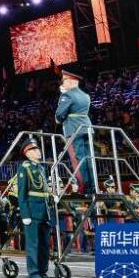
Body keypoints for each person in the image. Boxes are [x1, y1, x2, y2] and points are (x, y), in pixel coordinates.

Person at [54, 67, 96, 195]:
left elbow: (59, 115)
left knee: (77, 159)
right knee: (89, 158)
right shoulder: (86, 95)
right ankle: (93, 185)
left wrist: (61, 97)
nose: (62, 83)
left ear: (71, 81)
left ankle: (84, 187)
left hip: (73, 129)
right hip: (87, 128)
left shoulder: (67, 95)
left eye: (64, 81)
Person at [17, 138, 51, 278]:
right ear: (27, 153)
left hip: (44, 212)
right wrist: (25, 214)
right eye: (34, 149)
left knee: (44, 245)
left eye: (37, 148)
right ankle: (34, 274)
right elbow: (22, 194)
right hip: (32, 212)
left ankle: (43, 272)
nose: (38, 151)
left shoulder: (41, 168)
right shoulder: (24, 168)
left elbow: (43, 190)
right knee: (33, 245)